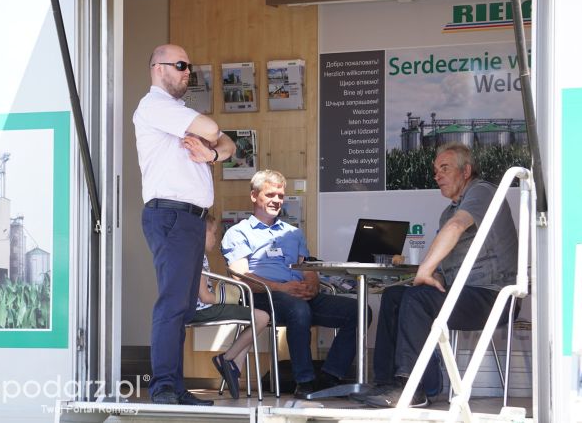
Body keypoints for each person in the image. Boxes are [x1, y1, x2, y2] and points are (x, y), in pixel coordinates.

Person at [356, 142, 518, 408]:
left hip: (494, 295)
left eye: (445, 168)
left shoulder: (482, 191)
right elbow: (444, 267)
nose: (437, 175)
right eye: (435, 170)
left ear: (466, 171)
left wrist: (424, 270)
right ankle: (387, 383)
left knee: (418, 299)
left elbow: (456, 227)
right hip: (465, 293)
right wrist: (434, 276)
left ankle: (413, 388)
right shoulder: (448, 212)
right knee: (396, 295)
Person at [133, 44, 236, 406]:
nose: (187, 72)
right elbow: (213, 128)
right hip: (172, 215)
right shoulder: (155, 105)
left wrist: (211, 152)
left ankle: (174, 386)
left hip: (189, 218)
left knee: (183, 306)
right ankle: (163, 385)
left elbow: (227, 144)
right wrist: (212, 138)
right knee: (173, 304)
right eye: (180, 65)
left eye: (189, 66)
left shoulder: (177, 111)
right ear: (158, 68)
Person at [221, 169, 361, 399]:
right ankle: (304, 382)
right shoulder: (238, 232)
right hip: (262, 296)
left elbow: (307, 267)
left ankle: (329, 378)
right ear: (254, 196)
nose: (276, 200)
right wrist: (281, 288)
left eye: (280, 195)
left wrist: (311, 285)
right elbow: (241, 276)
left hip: (298, 295)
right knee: (298, 309)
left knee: (358, 311)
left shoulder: (292, 233)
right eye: (270, 195)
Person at [190, 214, 271, 399]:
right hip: (202, 310)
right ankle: (225, 359)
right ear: (202, 234)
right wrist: (225, 299)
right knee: (261, 317)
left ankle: (234, 368)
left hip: (196, 309)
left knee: (249, 322)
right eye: (214, 233)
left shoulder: (190, 254)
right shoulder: (198, 256)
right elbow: (206, 297)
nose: (216, 238)